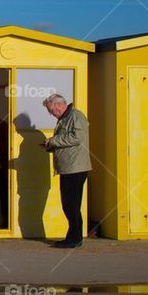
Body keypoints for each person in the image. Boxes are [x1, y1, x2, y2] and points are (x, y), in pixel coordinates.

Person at [40, 94, 90, 248]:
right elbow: (67, 141)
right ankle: (73, 236)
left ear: (59, 105)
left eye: (51, 110)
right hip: (68, 168)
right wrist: (50, 146)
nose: (51, 114)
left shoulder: (75, 116)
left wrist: (53, 141)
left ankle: (74, 238)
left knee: (71, 204)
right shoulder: (64, 119)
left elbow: (77, 138)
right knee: (68, 204)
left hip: (76, 168)